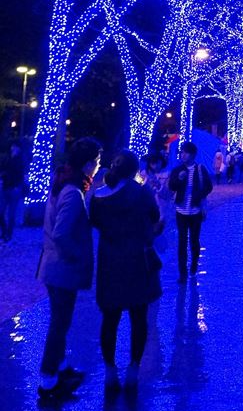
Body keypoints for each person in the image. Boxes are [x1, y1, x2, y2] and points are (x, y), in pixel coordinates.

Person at [89, 149, 162, 394]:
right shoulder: (142, 194)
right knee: (138, 318)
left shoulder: (98, 197)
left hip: (110, 263)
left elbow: (96, 223)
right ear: (133, 171)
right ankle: (133, 368)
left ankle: (110, 370)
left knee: (110, 319)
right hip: (137, 262)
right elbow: (154, 218)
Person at [37, 137, 102, 403]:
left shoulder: (62, 181)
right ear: (88, 164)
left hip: (53, 266)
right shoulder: (74, 193)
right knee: (59, 325)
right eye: (97, 162)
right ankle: (48, 380)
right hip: (61, 269)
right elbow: (62, 233)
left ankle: (60, 368)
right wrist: (77, 257)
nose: (99, 166)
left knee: (60, 322)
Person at [168, 141, 213, 282]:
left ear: (192, 154)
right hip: (181, 211)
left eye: (185, 152)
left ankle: (193, 265)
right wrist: (178, 179)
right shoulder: (177, 170)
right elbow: (171, 186)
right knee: (182, 241)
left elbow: (209, 187)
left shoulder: (200, 169)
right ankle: (182, 273)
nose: (182, 154)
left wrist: (197, 197)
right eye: (181, 152)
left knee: (194, 241)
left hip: (195, 212)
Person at [0, 141, 27, 241]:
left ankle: (8, 234)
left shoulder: (20, 160)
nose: (13, 148)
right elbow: (3, 168)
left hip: (14, 189)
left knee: (11, 214)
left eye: (15, 147)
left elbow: (20, 173)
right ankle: (4, 231)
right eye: (13, 146)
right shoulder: (7, 158)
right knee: (1, 212)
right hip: (6, 187)